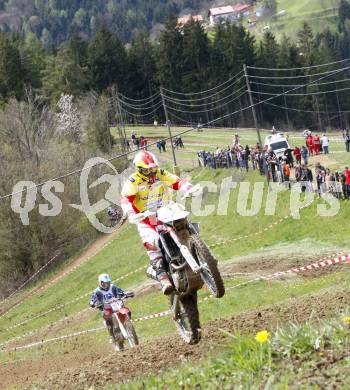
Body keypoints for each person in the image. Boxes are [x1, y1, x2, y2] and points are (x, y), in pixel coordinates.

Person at [121, 151, 198, 294]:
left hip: (166, 212)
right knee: (153, 245)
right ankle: (164, 278)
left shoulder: (160, 173)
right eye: (147, 170)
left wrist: (189, 188)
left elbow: (176, 181)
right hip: (146, 219)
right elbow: (125, 199)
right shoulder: (133, 181)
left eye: (152, 168)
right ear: (139, 169)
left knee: (184, 221)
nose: (151, 173)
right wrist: (130, 213)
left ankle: (199, 247)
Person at [90, 274, 127, 350]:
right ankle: (112, 336)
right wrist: (94, 303)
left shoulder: (113, 287)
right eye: (105, 283)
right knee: (108, 320)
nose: (107, 284)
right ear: (101, 282)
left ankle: (128, 325)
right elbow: (93, 300)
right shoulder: (97, 291)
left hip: (117, 305)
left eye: (108, 282)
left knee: (126, 311)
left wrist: (124, 294)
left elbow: (121, 291)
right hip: (107, 309)